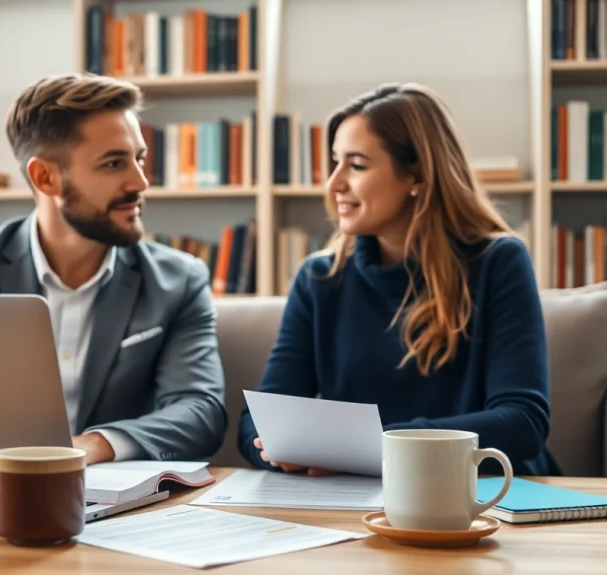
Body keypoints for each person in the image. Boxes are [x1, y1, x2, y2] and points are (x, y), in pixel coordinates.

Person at [239, 82, 561, 477]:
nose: (334, 183)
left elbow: (522, 423)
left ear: (418, 176)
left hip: (485, 496)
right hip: (361, 497)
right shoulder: (319, 279)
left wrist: (367, 449)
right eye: (335, 163)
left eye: (356, 165)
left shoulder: (499, 262)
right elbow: (260, 420)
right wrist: (278, 450)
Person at [0, 72, 227, 465]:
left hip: (116, 506)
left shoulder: (178, 280)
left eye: (140, 158)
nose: (141, 181)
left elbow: (199, 409)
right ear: (45, 177)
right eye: (114, 163)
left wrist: (94, 445)